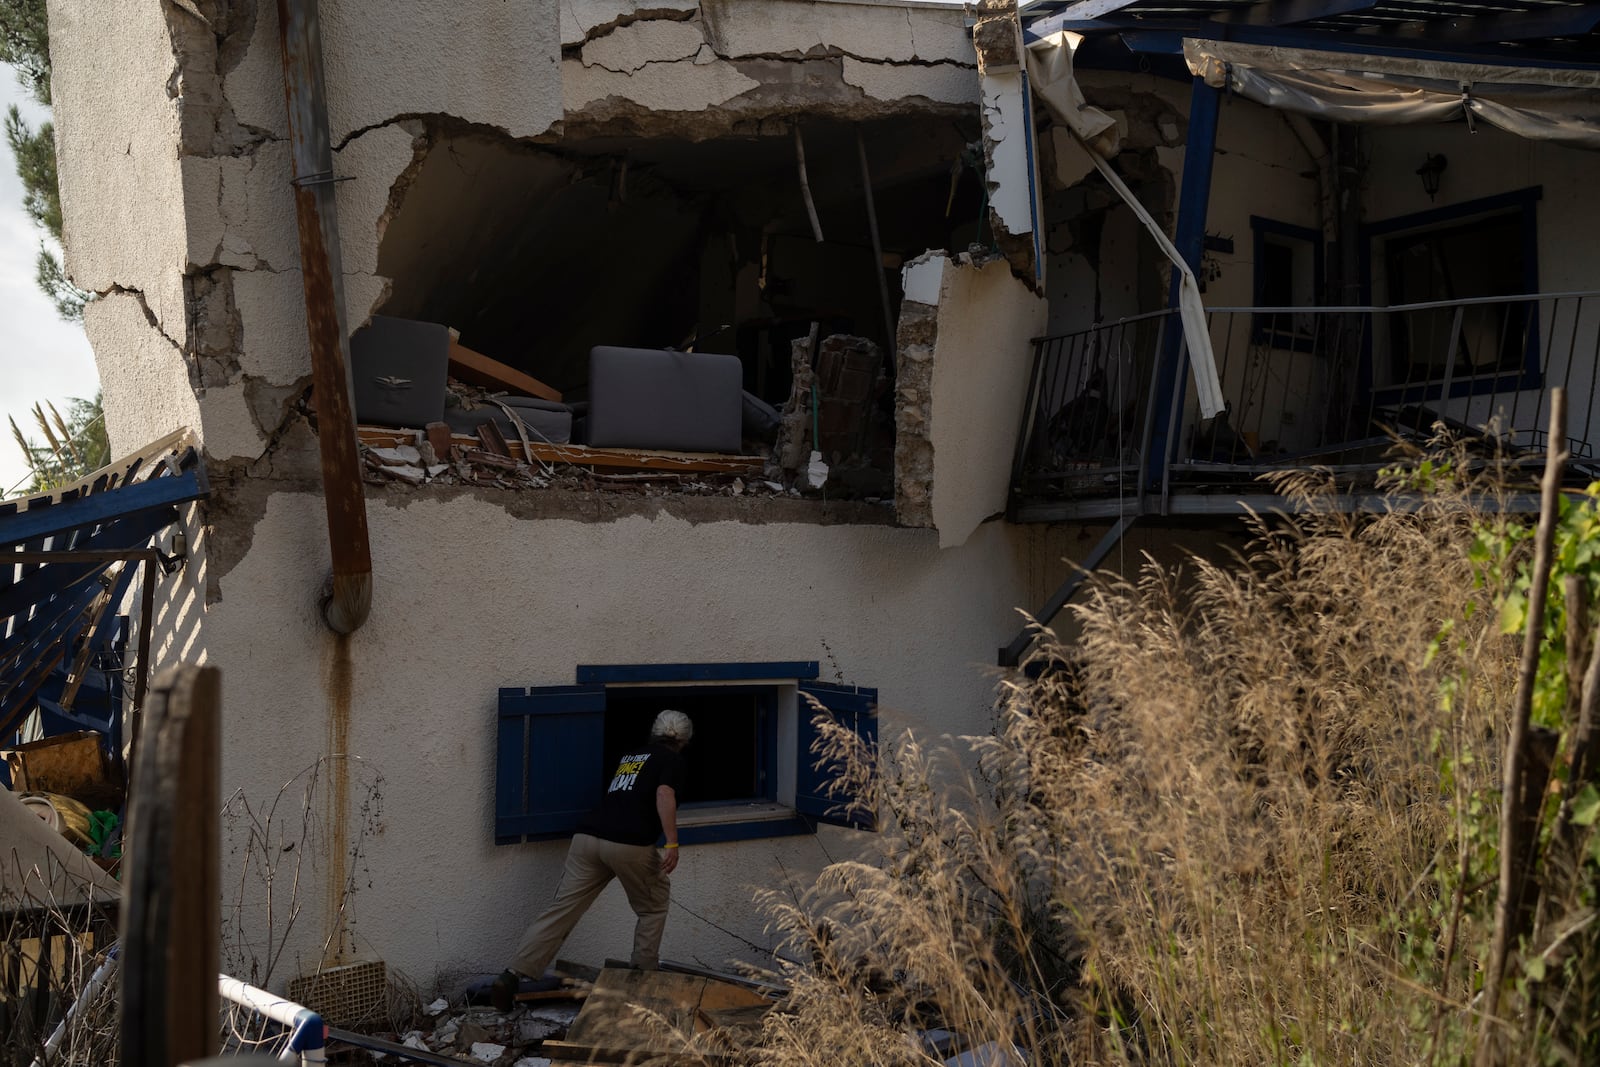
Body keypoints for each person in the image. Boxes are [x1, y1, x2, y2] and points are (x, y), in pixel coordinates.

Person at [491, 709, 692, 1011]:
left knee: (563, 909)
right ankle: (642, 981)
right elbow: (664, 794)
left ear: (653, 732)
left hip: (587, 839)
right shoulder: (672, 760)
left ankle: (511, 976)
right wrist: (672, 842)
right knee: (652, 907)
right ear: (685, 740)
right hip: (629, 845)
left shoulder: (632, 757)